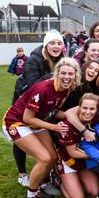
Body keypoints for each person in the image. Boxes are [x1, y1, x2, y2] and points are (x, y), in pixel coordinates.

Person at [2, 58, 81, 198]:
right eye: (63, 73)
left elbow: (52, 110)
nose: (66, 77)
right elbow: (27, 117)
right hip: (16, 122)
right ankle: (31, 196)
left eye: (70, 74)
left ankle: (40, 186)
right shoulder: (43, 88)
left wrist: (74, 116)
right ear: (57, 73)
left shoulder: (67, 89)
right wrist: (54, 128)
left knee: (52, 156)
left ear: (75, 75)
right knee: (44, 158)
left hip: (37, 120)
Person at [11, 30, 65, 188]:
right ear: (46, 44)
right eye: (52, 43)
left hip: (45, 104)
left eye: (59, 43)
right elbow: (33, 85)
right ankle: (22, 173)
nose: (56, 46)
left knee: (42, 133)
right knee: (20, 135)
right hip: (25, 103)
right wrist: (52, 76)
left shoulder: (61, 58)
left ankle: (46, 170)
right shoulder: (34, 60)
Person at [56, 93, 99, 198]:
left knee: (94, 192)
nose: (88, 112)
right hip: (68, 161)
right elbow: (73, 153)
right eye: (85, 108)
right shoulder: (67, 126)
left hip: (83, 162)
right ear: (79, 108)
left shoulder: (94, 121)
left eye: (92, 109)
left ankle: (75, 180)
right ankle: (57, 179)